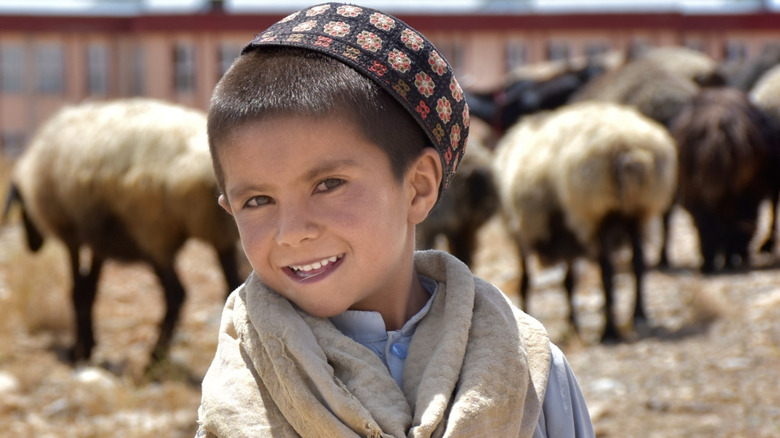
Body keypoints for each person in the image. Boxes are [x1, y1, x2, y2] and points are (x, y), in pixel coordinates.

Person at [196, 3, 594, 437]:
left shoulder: (530, 371)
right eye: (257, 200)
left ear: (418, 187)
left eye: (328, 185)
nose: (292, 232)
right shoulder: (238, 391)